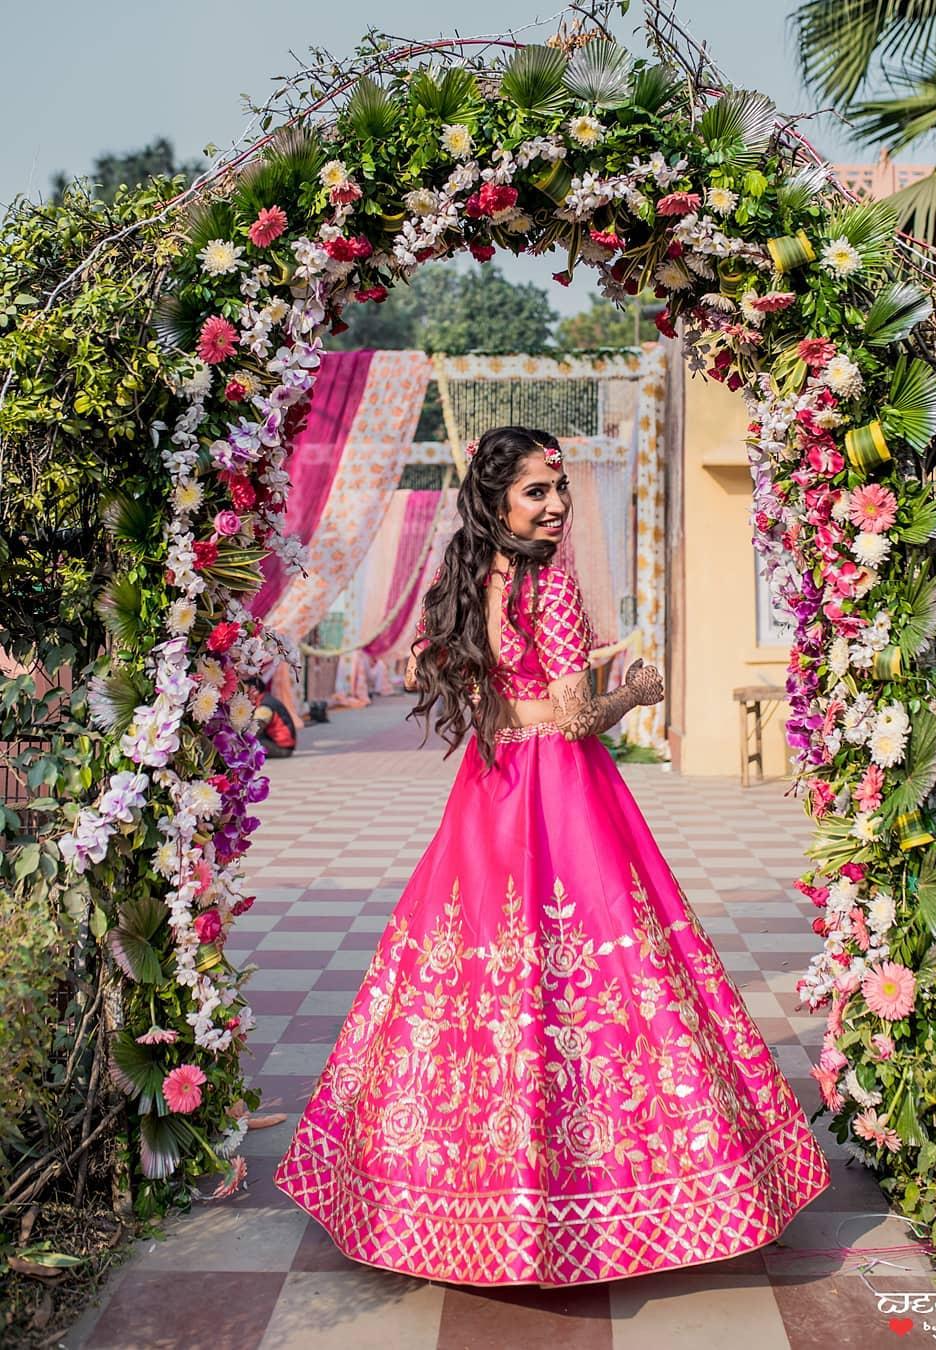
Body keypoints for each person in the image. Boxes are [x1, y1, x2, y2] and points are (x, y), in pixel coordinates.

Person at [274, 426, 831, 1287]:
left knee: (475, 976)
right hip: (567, 797)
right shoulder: (551, 584)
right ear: (499, 499)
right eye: (537, 491)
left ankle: (447, 1201)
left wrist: (529, 699)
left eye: (560, 489)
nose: (557, 505)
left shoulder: (467, 579)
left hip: (489, 795)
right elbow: (573, 717)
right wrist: (636, 691)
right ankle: (639, 1193)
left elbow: (477, 693)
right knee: (612, 966)